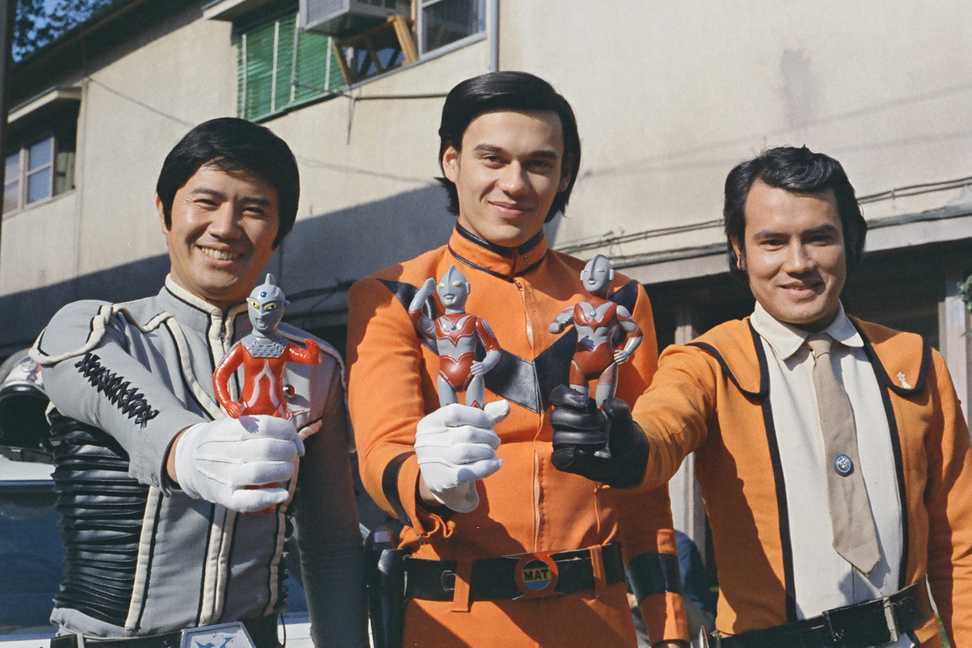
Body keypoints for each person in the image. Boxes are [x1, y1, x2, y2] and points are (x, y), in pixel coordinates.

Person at [555, 146, 972, 647]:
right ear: (739, 250)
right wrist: (625, 447)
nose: (798, 263)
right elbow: (663, 428)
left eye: (819, 238)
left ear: (850, 240)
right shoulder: (707, 361)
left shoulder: (913, 361)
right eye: (773, 241)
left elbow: (961, 542)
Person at [347, 71, 688, 647]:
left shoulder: (620, 299)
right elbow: (382, 452)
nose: (515, 183)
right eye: (493, 159)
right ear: (451, 161)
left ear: (564, 176)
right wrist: (431, 482)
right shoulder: (394, 295)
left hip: (596, 621)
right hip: (452, 620)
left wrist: (668, 626)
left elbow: (644, 484)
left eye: (538, 164)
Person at [30, 118, 366, 647]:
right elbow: (81, 370)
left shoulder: (316, 364)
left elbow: (331, 546)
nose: (226, 227)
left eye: (254, 209)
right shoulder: (100, 329)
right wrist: (184, 448)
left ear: (279, 231)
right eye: (205, 202)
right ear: (164, 211)